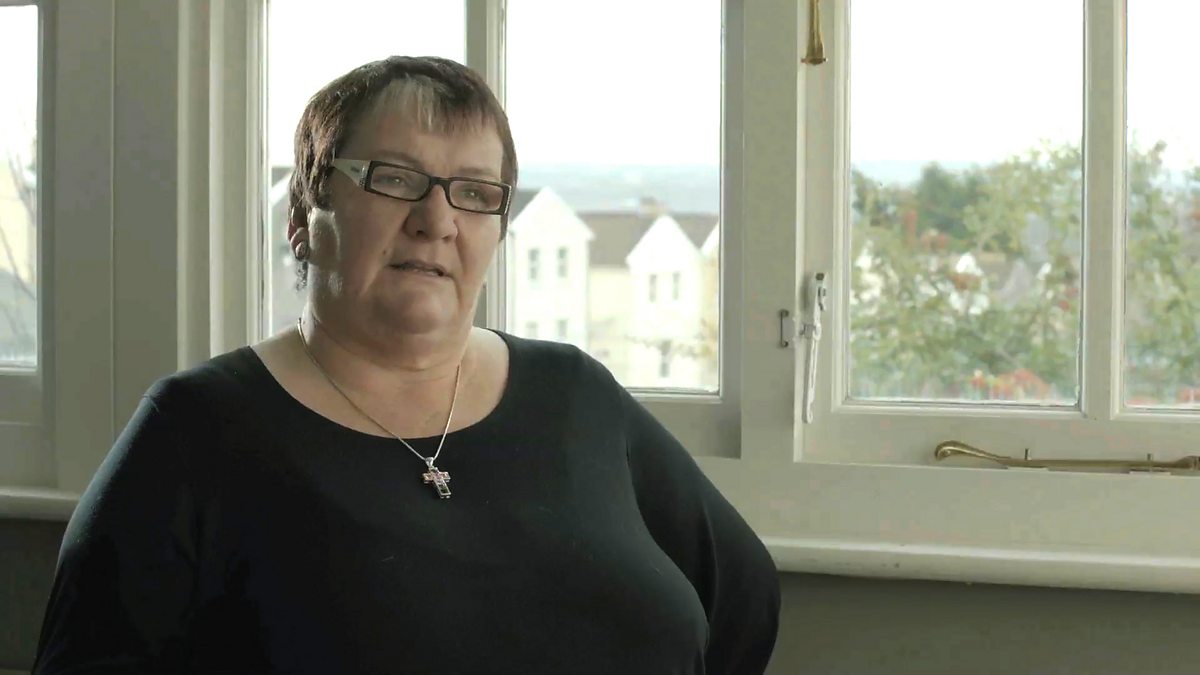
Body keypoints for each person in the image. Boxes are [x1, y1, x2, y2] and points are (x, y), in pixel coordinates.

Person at [31, 56, 780, 674]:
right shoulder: (194, 432)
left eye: (475, 193)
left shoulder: (575, 393)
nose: (437, 220)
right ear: (302, 218)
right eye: (393, 178)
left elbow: (743, 603)